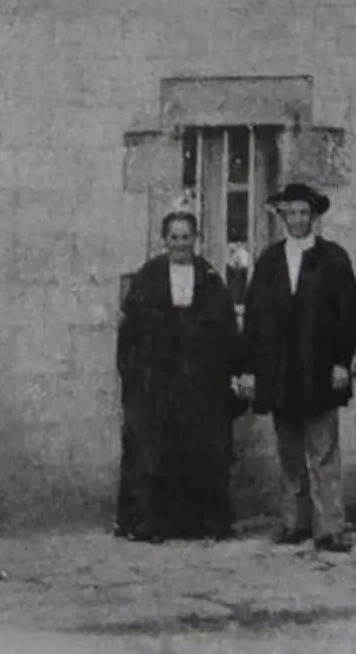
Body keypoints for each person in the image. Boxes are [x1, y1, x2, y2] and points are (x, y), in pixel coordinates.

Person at [240, 180, 356, 551]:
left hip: (320, 368)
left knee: (323, 449)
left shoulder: (333, 259)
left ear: (314, 216)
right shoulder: (269, 261)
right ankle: (295, 523)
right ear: (281, 217)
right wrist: (250, 368)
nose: (297, 219)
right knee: (290, 450)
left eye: (303, 213)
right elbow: (255, 318)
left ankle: (329, 528)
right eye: (290, 213)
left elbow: (349, 313)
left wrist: (342, 361)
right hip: (281, 370)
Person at [115, 203, 243, 542]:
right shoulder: (149, 277)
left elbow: (226, 330)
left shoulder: (210, 278)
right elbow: (130, 333)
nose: (180, 244)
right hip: (158, 383)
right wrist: (133, 378)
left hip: (199, 383)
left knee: (201, 450)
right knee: (154, 453)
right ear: (164, 240)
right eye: (174, 237)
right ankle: (151, 523)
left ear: (195, 239)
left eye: (186, 237)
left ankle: (201, 524)